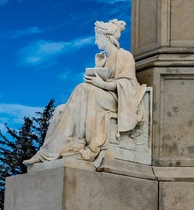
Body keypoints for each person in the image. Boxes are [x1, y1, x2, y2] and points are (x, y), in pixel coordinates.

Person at [24, 19, 146, 165]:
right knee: (60, 110)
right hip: (98, 97)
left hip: (117, 100)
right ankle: (46, 152)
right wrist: (99, 68)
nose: (95, 42)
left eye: (98, 37)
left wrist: (101, 83)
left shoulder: (125, 56)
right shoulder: (104, 59)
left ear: (107, 37)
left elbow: (127, 84)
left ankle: (69, 146)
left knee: (82, 88)